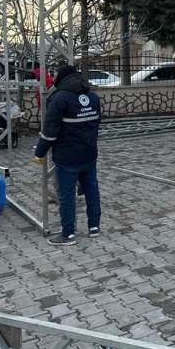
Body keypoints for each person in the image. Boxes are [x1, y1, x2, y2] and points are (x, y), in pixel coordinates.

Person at [34, 65, 102, 246]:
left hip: (67, 157)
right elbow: (96, 126)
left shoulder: (58, 99)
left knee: (67, 195)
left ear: (62, 78)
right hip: (89, 154)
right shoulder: (93, 97)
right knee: (92, 190)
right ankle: (94, 227)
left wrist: (39, 152)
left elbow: (50, 132)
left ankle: (68, 234)